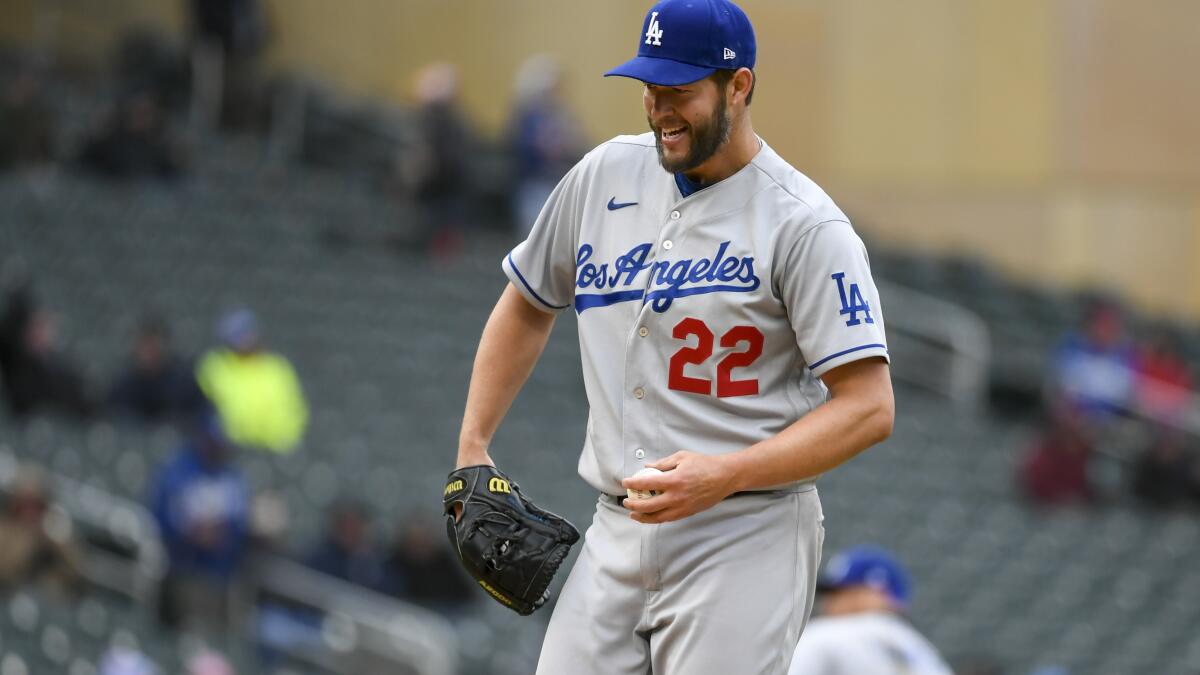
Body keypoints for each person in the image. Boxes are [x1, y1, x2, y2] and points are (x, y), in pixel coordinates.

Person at [451, 2, 894, 673]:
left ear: (738, 86)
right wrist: (472, 445)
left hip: (747, 529)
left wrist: (727, 473)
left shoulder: (805, 225)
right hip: (619, 521)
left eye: (680, 91)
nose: (659, 109)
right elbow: (526, 303)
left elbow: (869, 406)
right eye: (650, 89)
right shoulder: (603, 176)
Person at [149, 414, 251, 629]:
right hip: (180, 567)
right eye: (213, 442)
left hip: (219, 574)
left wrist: (222, 532)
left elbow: (239, 523)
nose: (217, 449)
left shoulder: (231, 477)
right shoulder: (179, 470)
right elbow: (164, 514)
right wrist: (192, 532)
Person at [789, 546, 952, 674]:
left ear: (871, 594)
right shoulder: (921, 648)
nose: (828, 603)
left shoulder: (825, 633)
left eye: (840, 594)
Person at [196, 308, 308, 452]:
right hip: (227, 450)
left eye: (247, 333)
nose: (245, 341)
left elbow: (295, 412)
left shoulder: (278, 367)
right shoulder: (214, 366)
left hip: (276, 448)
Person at [508, 54, 587, 235]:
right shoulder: (527, 117)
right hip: (535, 186)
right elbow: (525, 150)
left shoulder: (562, 114)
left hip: (560, 183)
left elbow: (578, 143)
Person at [0, 464, 82, 599]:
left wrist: (56, 542)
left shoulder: (51, 537)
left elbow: (73, 573)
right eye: (25, 503)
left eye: (35, 504)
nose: (29, 511)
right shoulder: (4, 527)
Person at [108, 315, 207, 425]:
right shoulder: (123, 384)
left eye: (153, 345)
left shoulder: (183, 381)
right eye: (144, 346)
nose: (149, 352)